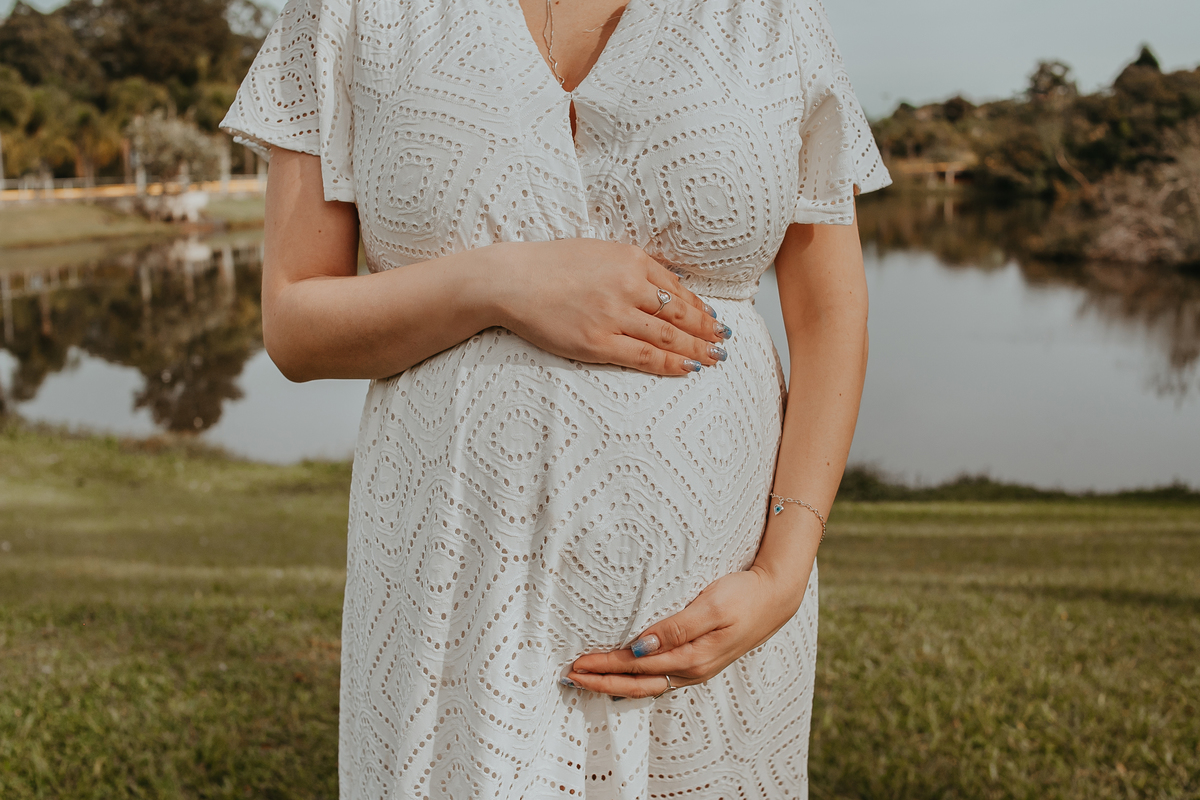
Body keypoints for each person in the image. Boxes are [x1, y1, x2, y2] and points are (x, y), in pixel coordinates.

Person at [221, 0, 890, 795]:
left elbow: (830, 313)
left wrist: (783, 570)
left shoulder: (770, 17)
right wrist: (494, 283)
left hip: (718, 613)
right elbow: (296, 323)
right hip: (454, 604)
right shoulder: (355, 11)